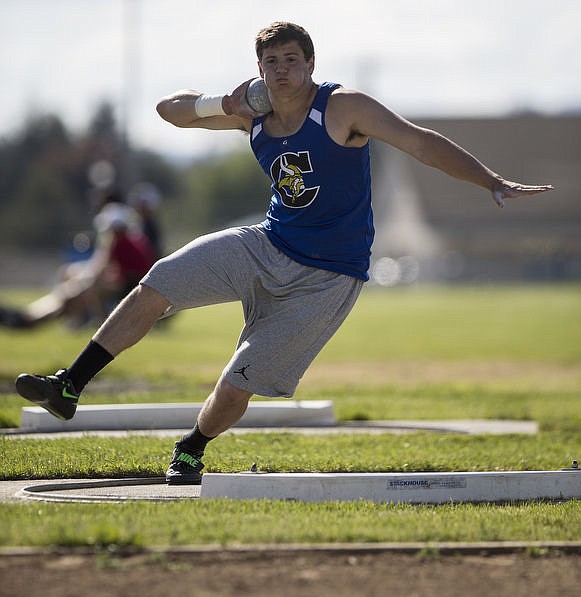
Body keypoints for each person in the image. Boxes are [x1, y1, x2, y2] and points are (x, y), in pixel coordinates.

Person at [14, 21, 553, 484]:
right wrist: (220, 103)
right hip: (266, 245)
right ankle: (69, 384)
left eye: (292, 60)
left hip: (328, 276)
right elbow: (168, 111)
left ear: (311, 64)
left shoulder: (343, 107)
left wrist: (489, 180)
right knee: (160, 280)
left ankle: (191, 448)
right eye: (271, 62)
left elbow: (420, 142)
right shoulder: (253, 112)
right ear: (259, 70)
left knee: (238, 382)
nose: (282, 71)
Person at [0, 198, 156, 330]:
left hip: (134, 286)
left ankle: (34, 318)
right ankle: (34, 316)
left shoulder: (119, 241)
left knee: (84, 289)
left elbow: (101, 269)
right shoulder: (128, 239)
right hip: (135, 283)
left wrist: (79, 282)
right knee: (78, 287)